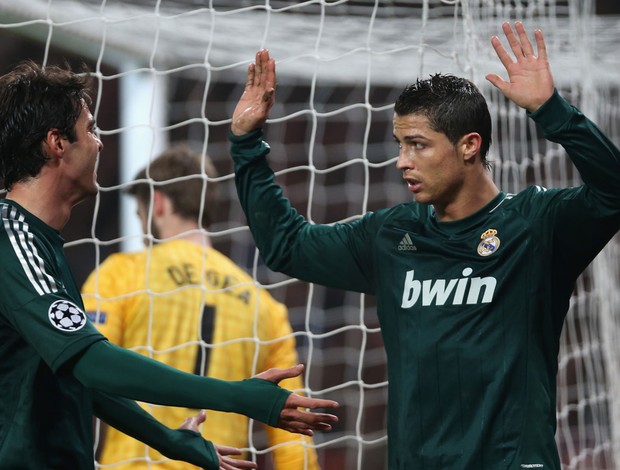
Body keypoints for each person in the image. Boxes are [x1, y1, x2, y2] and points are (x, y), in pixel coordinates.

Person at [227, 22, 620, 469]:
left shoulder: (535, 226)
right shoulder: (391, 236)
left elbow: (613, 193)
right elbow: (286, 246)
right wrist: (246, 143)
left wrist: (553, 111)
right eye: (400, 144)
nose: (402, 161)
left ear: (469, 145)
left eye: (418, 145)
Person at [0, 60, 339, 470]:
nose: (100, 143)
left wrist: (172, 441)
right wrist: (237, 395)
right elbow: (91, 362)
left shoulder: (96, 266)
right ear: (56, 142)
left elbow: (81, 372)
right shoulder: (11, 239)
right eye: (90, 128)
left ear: (156, 203)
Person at [81, 145, 321, 469]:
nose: (141, 228)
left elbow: (84, 374)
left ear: (158, 203)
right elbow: (293, 430)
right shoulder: (265, 306)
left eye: (140, 214)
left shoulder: (121, 274)